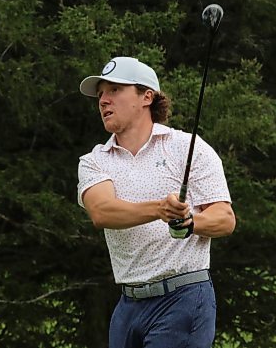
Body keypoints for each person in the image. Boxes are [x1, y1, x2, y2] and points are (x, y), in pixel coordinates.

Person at [77, 56, 236, 348]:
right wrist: (159, 210)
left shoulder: (187, 148)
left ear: (146, 97)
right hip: (128, 306)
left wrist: (190, 223)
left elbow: (225, 219)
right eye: (100, 94)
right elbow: (102, 212)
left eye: (114, 90)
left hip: (184, 297)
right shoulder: (94, 161)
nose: (103, 100)